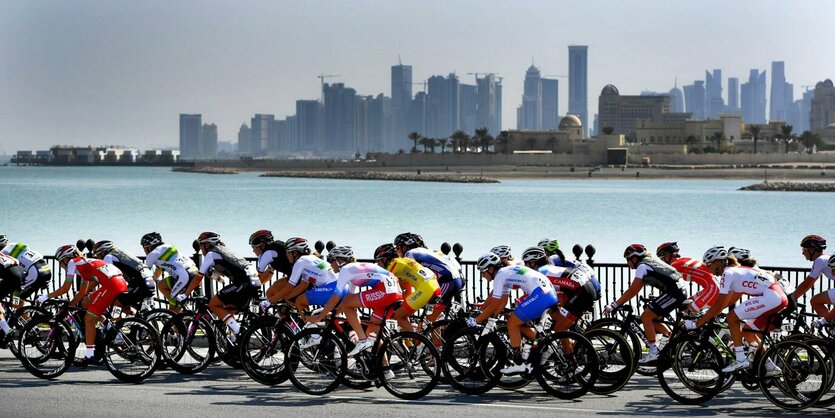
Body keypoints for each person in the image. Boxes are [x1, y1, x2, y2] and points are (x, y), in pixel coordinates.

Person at [688, 246, 788, 374]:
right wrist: (709, 312)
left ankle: (741, 359)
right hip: (777, 297)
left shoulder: (727, 274)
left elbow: (719, 305)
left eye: (709, 265)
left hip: (772, 297)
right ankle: (771, 367)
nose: (708, 269)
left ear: (718, 262)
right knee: (747, 330)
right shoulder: (734, 271)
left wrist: (697, 323)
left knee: (732, 318)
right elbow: (727, 302)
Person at [306, 246, 403, 358]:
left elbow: (336, 298)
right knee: (372, 334)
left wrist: (319, 317)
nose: (330, 265)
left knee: (348, 306)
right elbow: (348, 298)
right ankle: (386, 370)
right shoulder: (353, 270)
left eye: (331, 260)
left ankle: (362, 340)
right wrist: (333, 314)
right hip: (394, 290)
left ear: (339, 260)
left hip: (386, 291)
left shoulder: (345, 270)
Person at [472, 252, 558, 375]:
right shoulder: (505, 273)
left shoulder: (500, 275)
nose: (482, 275)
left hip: (540, 294)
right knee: (519, 323)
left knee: (512, 323)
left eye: (482, 272)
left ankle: (520, 363)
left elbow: (495, 304)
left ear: (491, 269)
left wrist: (476, 320)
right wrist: (493, 316)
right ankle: (542, 346)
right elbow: (503, 301)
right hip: (548, 293)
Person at [605, 244, 688, 364]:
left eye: (627, 260)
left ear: (634, 258)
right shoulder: (648, 263)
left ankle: (653, 351)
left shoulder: (642, 267)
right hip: (677, 290)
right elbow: (637, 288)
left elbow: (633, 290)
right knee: (653, 319)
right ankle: (667, 336)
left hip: (674, 293)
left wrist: (614, 305)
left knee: (645, 316)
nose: (627, 263)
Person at [54, 244, 128, 367]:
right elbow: (82, 292)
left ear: (66, 258)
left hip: (112, 285)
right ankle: (107, 325)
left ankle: (89, 355)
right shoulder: (84, 264)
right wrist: (70, 306)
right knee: (85, 302)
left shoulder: (73, 262)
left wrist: (46, 297)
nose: (60, 265)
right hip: (119, 282)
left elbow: (65, 288)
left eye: (60, 262)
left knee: (88, 319)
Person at [178, 231, 260, 342]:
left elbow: (198, 277)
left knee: (213, 304)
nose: (201, 250)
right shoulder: (223, 251)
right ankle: (235, 342)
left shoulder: (211, 254)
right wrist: (217, 278)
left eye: (201, 245)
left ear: (207, 245)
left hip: (243, 282)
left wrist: (185, 294)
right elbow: (221, 270)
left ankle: (239, 332)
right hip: (253, 279)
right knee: (229, 309)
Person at [522, 247, 597, 332]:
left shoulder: (538, 273)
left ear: (532, 263)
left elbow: (534, 295)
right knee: (558, 317)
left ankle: (580, 343)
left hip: (581, 292)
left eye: (526, 263)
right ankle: (577, 337)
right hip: (584, 288)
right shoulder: (547, 267)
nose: (525, 266)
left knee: (559, 330)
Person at [395, 232, 463, 325]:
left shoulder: (409, 254)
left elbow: (411, 276)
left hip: (447, 281)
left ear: (405, 246)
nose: (397, 252)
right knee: (432, 323)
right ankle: (436, 335)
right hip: (456, 278)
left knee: (430, 319)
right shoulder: (427, 251)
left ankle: (440, 332)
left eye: (398, 248)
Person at [259, 237, 338, 314]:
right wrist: (287, 298)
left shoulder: (300, 262)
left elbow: (290, 286)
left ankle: (308, 325)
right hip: (338, 286)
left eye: (287, 252)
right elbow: (303, 286)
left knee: (299, 301)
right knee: (314, 310)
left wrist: (268, 301)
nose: (286, 255)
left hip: (331, 288)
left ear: (295, 253)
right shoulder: (310, 259)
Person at [374, 243, 440, 334]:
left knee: (398, 316)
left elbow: (382, 283)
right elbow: (404, 285)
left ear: (385, 259)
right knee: (429, 320)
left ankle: (416, 342)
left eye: (378, 261)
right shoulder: (404, 261)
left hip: (425, 289)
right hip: (434, 285)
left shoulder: (394, 264)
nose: (378, 264)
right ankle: (437, 346)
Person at [141, 232, 199, 311]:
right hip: (194, 272)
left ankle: (178, 312)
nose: (144, 250)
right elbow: (159, 268)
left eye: (144, 247)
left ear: (149, 246)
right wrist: (154, 278)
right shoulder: (167, 247)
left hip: (185, 277)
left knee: (173, 310)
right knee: (161, 285)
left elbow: (145, 273)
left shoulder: (152, 254)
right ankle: (182, 309)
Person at [92, 240, 155, 312]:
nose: (98, 257)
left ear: (104, 251)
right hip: (148, 280)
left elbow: (107, 276)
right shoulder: (122, 252)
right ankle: (134, 321)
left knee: (116, 303)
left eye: (98, 254)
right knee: (124, 302)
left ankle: (124, 322)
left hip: (140, 283)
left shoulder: (108, 257)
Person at [656, 242, 720, 312]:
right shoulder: (683, 260)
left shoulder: (675, 265)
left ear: (668, 256)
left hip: (712, 289)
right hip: (713, 287)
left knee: (688, 313)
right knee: (686, 305)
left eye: (662, 259)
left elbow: (662, 279)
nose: (662, 262)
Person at [792, 235, 835, 326]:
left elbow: (806, 284)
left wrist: (792, 298)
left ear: (812, 250)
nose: (803, 253)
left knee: (815, 301)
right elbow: (809, 283)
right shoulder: (826, 258)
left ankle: (832, 328)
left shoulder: (820, 260)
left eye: (804, 250)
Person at [0, 236, 52, 303]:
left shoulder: (4, 252)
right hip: (45, 268)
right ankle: (28, 310)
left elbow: (11, 269)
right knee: (21, 295)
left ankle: (21, 310)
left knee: (16, 297)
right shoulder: (15, 245)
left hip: (35, 273)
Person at [0, 253, 25, 346]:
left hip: (12, 278)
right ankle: (30, 327)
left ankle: (8, 330)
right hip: (21, 276)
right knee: (15, 304)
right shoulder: (2, 254)